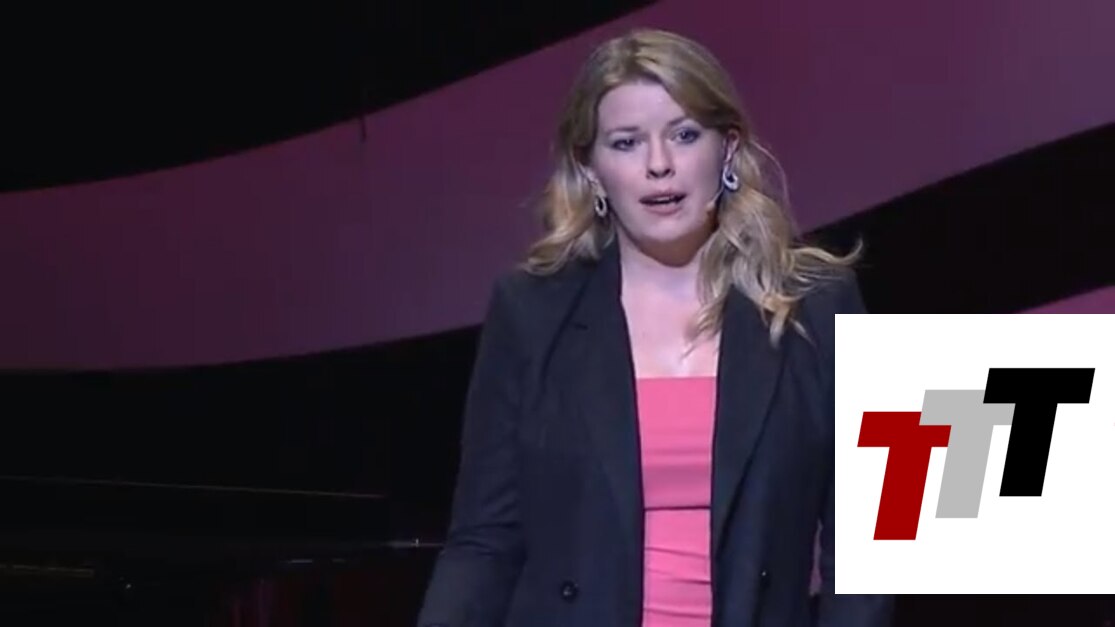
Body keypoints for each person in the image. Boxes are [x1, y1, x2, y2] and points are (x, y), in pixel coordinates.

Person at [415, 28, 893, 627]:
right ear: (590, 169)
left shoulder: (817, 305)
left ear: (727, 148)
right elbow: (484, 542)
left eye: (684, 135)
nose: (659, 165)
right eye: (626, 142)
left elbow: (867, 549)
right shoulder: (531, 311)